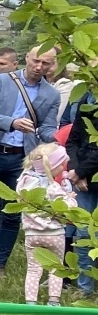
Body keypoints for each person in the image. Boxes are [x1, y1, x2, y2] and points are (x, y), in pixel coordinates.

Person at [0, 48, 60, 278]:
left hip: (21, 160)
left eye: (46, 63)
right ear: (26, 58)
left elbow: (46, 128)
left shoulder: (52, 94)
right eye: (36, 61)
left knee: (12, 215)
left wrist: (60, 137)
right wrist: (11, 122)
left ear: (53, 65)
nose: (39, 67)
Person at [18, 143, 77, 307]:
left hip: (32, 234)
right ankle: (53, 301)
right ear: (53, 166)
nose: (63, 168)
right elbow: (69, 208)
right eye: (62, 165)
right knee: (56, 268)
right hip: (54, 234)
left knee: (33, 268)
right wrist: (70, 197)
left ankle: (31, 302)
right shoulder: (53, 187)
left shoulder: (25, 182)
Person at [64, 76, 97, 295]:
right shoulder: (86, 99)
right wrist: (76, 171)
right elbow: (73, 140)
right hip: (84, 181)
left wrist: (81, 171)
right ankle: (85, 288)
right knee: (84, 233)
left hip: (86, 173)